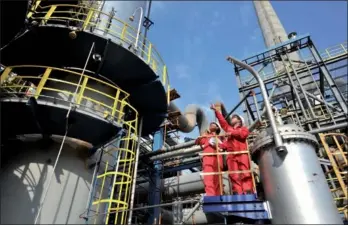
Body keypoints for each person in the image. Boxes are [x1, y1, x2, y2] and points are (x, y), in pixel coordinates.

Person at [210, 104, 252, 195]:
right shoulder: (229, 129)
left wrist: (232, 133)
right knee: (234, 175)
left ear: (240, 121)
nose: (232, 118)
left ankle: (247, 190)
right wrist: (216, 111)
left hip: (241, 154)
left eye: (234, 117)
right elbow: (223, 122)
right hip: (231, 156)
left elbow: (243, 135)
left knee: (245, 172)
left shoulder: (243, 129)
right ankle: (238, 192)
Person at [195, 122, 223, 196]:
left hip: (217, 159)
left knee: (217, 179)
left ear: (217, 128)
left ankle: (218, 196)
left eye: (214, 124)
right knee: (209, 179)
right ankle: (211, 196)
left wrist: (216, 143)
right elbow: (198, 141)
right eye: (210, 124)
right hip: (208, 159)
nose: (211, 125)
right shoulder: (207, 136)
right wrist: (203, 135)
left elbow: (224, 146)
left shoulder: (220, 137)